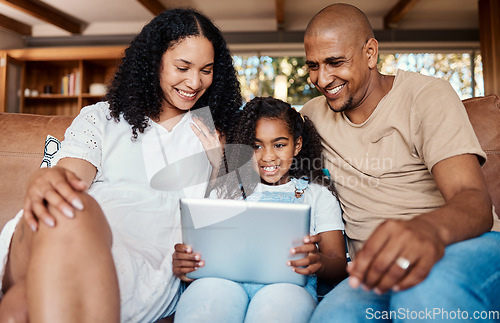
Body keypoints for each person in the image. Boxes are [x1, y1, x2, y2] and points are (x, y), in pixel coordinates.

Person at [0, 8, 242, 323]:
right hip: (59, 230)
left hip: (142, 263)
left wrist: (220, 161)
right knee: (70, 205)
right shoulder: (101, 116)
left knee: (20, 306)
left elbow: (232, 224)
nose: (195, 82)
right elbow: (68, 180)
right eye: (182, 67)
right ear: (154, 61)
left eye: (206, 70)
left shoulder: (223, 132)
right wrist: (45, 180)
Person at [299, 3, 500, 322]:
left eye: (335, 62)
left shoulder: (426, 95)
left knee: (423, 296)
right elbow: (257, 153)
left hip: (457, 245)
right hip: (374, 269)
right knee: (332, 318)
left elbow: (474, 201)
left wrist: (424, 230)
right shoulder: (311, 116)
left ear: (370, 53)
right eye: (313, 65)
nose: (322, 79)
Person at [171, 97, 347, 322]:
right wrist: (187, 263)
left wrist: (319, 262)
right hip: (221, 283)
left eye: (279, 144)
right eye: (256, 146)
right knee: (203, 310)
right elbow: (201, 249)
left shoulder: (317, 194)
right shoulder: (226, 191)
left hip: (287, 288)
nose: (267, 156)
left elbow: (338, 262)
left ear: (298, 145)